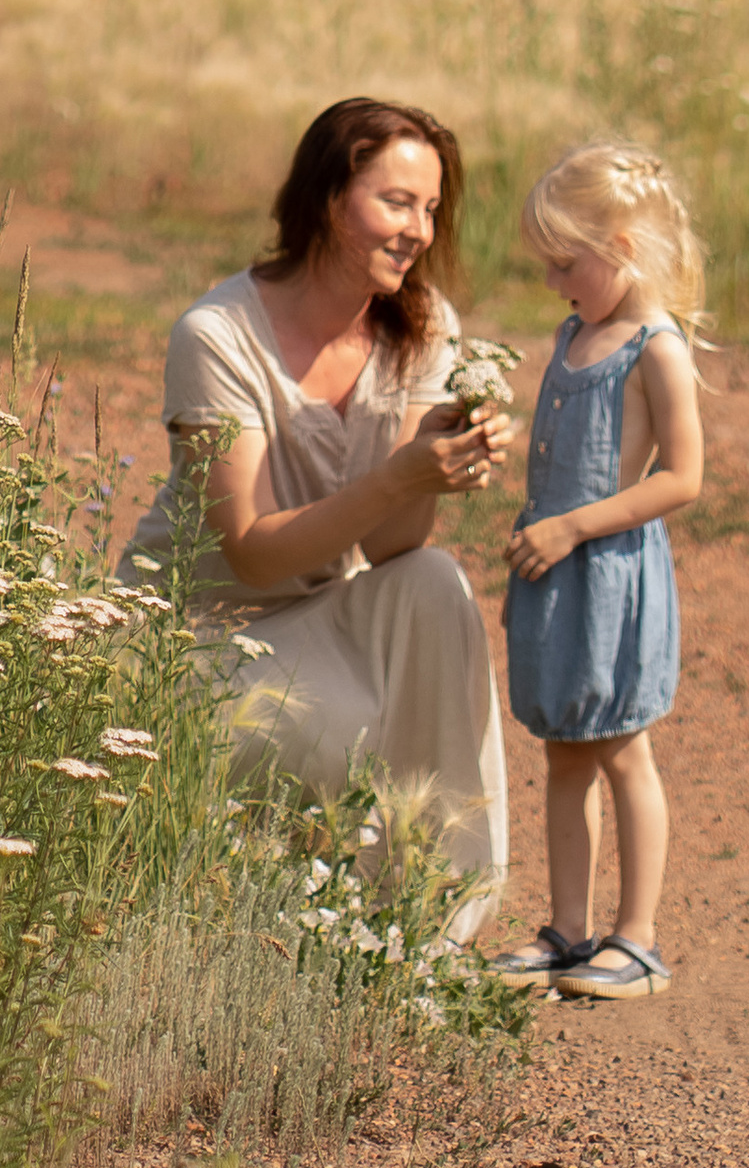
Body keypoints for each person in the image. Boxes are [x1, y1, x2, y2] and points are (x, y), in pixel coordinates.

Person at [122, 96, 512, 935]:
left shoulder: (421, 326)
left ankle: (427, 912)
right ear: (330, 201)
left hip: (320, 616)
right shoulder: (217, 336)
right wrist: (399, 475)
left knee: (438, 582)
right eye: (396, 202)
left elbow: (391, 546)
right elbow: (256, 554)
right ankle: (300, 916)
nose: (419, 230)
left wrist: (437, 470)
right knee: (339, 724)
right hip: (195, 640)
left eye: (432, 209)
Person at [494, 143, 707, 1002]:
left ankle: (639, 938)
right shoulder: (574, 335)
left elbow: (683, 477)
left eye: (563, 263)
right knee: (565, 753)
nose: (554, 282)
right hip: (558, 573)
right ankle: (569, 931)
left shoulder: (656, 349)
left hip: (611, 573)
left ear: (618, 246)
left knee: (621, 747)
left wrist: (574, 525)